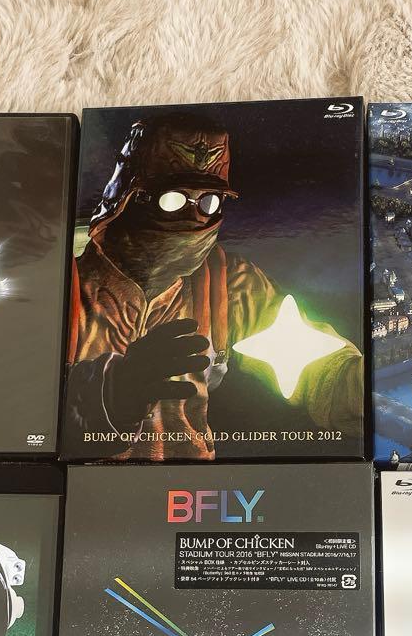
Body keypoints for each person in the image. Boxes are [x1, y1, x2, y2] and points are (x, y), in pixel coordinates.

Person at [63, 112, 363, 460]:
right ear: (132, 198)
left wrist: (359, 387)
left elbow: (314, 364)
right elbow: (27, 404)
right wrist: (109, 393)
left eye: (209, 201)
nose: (194, 216)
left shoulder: (224, 281)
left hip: (193, 485)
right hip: (84, 482)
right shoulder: (68, 286)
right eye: (173, 198)